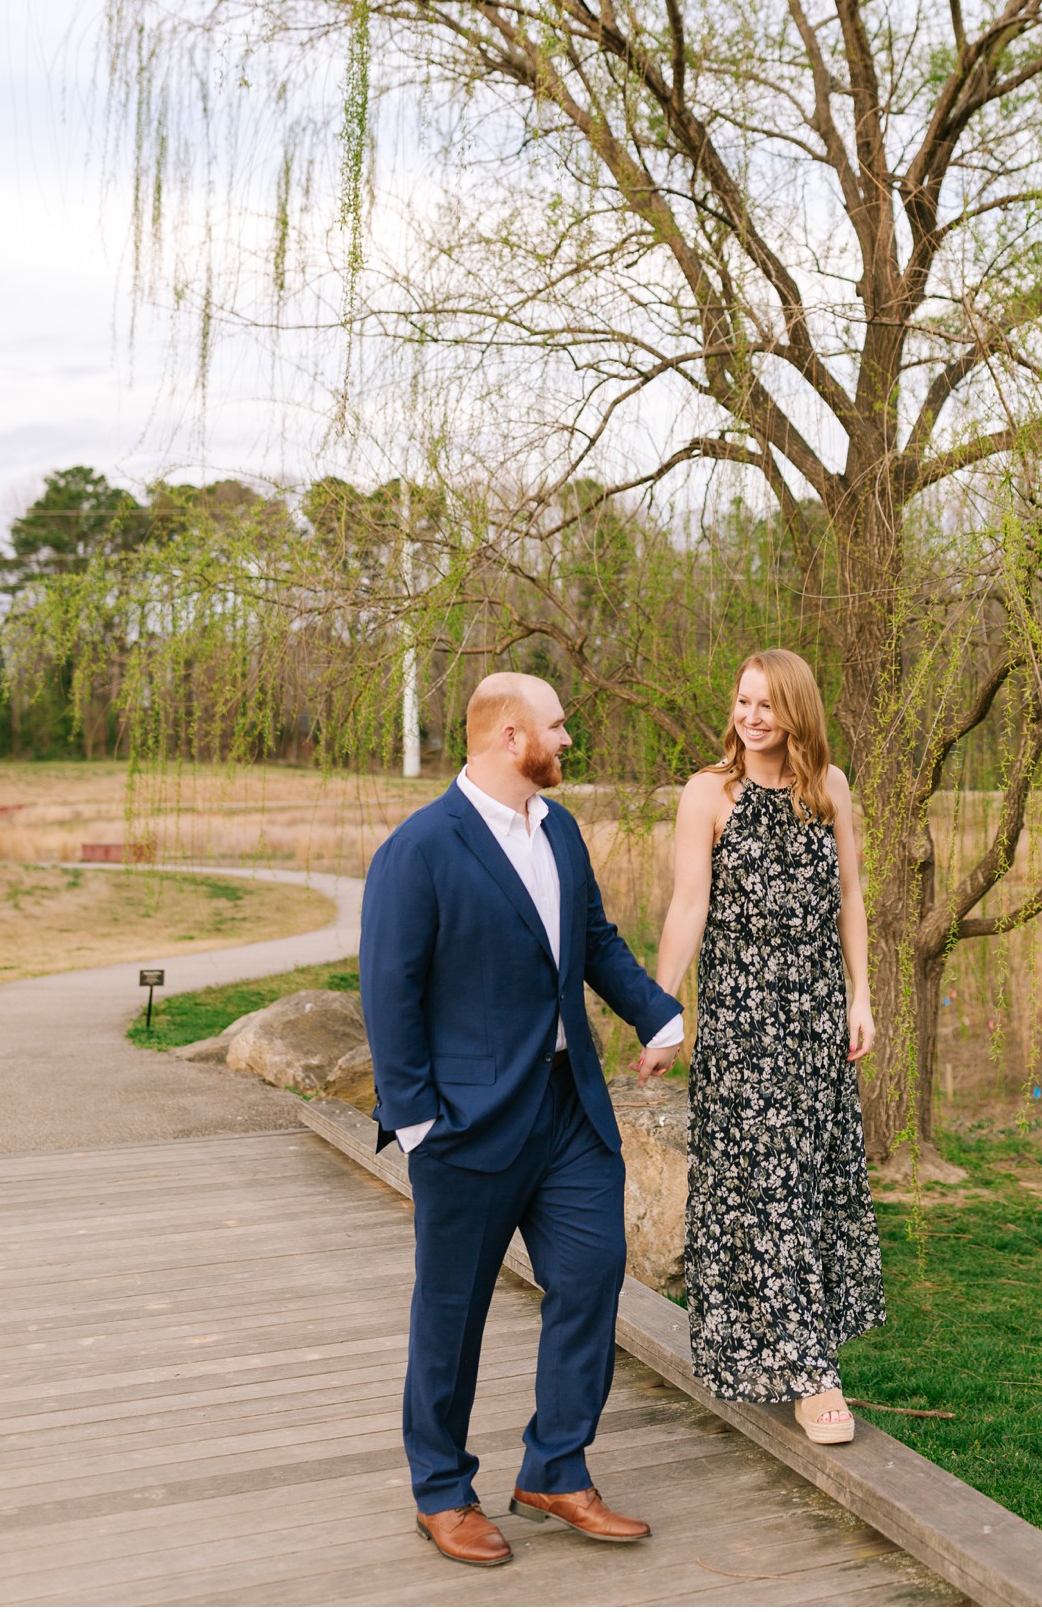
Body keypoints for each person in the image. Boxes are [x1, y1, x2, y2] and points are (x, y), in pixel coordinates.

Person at [360, 672, 684, 1567]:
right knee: (452, 1310)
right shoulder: (420, 849)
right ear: (510, 735)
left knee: (592, 1273)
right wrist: (421, 1123)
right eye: (556, 724)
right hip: (464, 1126)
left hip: (566, 1107)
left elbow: (590, 942)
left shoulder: (562, 831)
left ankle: (555, 1466)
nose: (567, 737)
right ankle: (441, 1488)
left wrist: (654, 1011)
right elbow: (390, 991)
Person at [644, 648, 885, 1443]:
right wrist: (659, 1008)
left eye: (767, 704)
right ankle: (814, 1376)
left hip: (814, 1022)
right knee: (762, 1192)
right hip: (742, 1027)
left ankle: (796, 1351)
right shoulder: (709, 792)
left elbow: (849, 896)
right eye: (743, 701)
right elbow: (688, 905)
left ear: (796, 712)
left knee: (807, 1186)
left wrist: (861, 995)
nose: (751, 716)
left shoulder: (830, 788)